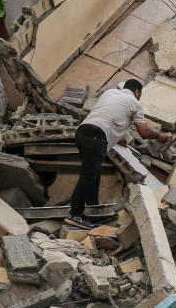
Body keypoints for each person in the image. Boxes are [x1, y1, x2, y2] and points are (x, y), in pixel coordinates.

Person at [67, 79, 168, 229]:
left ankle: (95, 212)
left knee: (94, 173)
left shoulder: (110, 93)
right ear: (137, 92)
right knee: (88, 175)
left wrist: (119, 136)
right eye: (139, 95)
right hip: (97, 136)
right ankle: (75, 214)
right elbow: (144, 132)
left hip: (83, 131)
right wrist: (160, 137)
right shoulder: (135, 103)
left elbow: (108, 114)